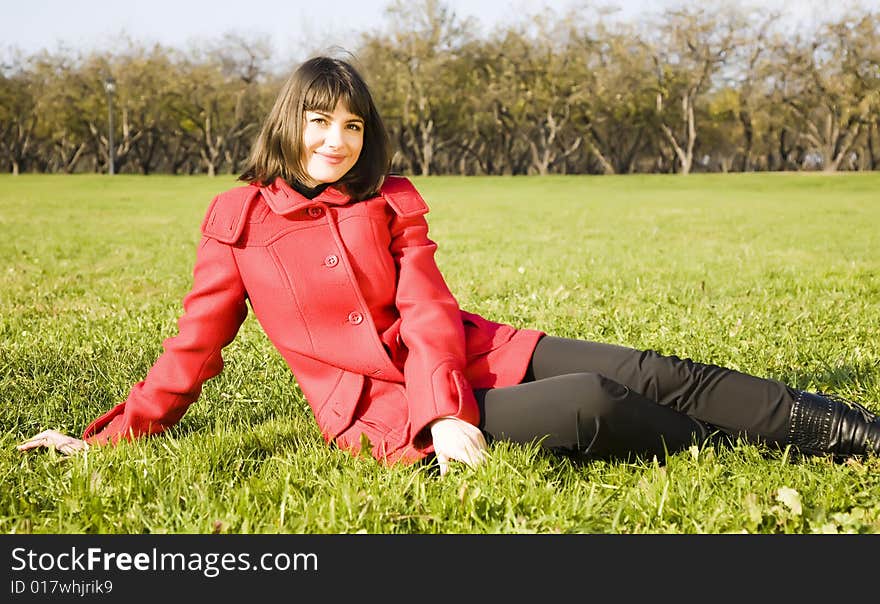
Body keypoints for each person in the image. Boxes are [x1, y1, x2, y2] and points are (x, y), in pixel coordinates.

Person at [17, 56, 880, 473]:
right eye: (319, 122)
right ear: (289, 125)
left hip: (468, 353)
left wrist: (452, 406)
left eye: (351, 125)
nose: (335, 140)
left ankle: (851, 433)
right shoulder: (237, 219)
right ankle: (759, 455)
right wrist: (105, 439)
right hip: (380, 413)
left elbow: (430, 311)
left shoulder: (391, 200)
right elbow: (191, 352)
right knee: (594, 403)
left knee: (657, 368)